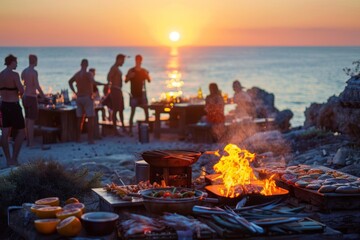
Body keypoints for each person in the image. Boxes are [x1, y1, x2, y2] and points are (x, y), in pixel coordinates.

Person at [68, 59, 105, 144]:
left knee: (79, 119)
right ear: (87, 65)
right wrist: (104, 84)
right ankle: (90, 139)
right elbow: (94, 82)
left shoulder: (77, 74)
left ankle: (78, 138)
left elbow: (70, 82)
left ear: (81, 64)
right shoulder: (88, 74)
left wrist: (75, 92)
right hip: (87, 98)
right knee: (90, 119)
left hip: (79, 98)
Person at [0, 54, 25, 166]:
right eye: (16, 62)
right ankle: (14, 158)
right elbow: (21, 90)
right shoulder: (15, 75)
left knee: (5, 133)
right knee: (21, 131)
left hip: (3, 105)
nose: (17, 64)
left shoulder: (0, 75)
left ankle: (8, 159)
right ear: (11, 62)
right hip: (14, 106)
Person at [21, 54, 45, 147]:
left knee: (27, 120)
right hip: (31, 97)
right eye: (37, 60)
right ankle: (31, 143)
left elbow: (24, 84)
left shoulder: (24, 71)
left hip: (24, 97)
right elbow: (37, 85)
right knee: (31, 122)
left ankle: (27, 141)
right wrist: (43, 96)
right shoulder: (34, 72)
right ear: (34, 61)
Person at [125, 54, 151, 136]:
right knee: (132, 112)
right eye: (137, 60)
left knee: (146, 112)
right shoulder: (131, 70)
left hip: (142, 94)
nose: (138, 61)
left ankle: (147, 129)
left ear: (141, 60)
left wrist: (147, 75)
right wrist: (129, 76)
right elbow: (126, 81)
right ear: (135, 60)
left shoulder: (143, 71)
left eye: (139, 60)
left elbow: (149, 80)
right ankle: (130, 131)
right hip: (133, 94)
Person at [107, 54, 127, 135]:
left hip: (119, 90)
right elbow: (108, 77)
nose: (123, 63)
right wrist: (112, 86)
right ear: (118, 59)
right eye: (122, 61)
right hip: (115, 90)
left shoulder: (117, 68)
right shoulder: (114, 68)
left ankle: (123, 127)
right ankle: (115, 130)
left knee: (121, 109)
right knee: (115, 110)